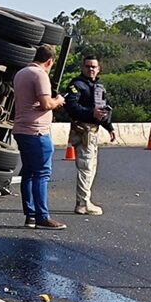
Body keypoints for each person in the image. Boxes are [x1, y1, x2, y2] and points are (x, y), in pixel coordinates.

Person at [12, 45, 66, 230]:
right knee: (42, 173)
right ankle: (43, 216)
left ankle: (31, 215)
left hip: (21, 129)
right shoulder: (40, 74)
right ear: (50, 61)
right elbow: (45, 104)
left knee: (28, 173)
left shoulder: (21, 73)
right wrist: (58, 101)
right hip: (36, 131)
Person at [63, 55, 117, 215]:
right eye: (87, 66)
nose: (91, 69)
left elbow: (101, 110)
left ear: (99, 69)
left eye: (94, 67)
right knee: (85, 167)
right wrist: (89, 112)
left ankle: (84, 200)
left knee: (91, 168)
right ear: (82, 68)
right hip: (82, 130)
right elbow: (71, 106)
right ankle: (82, 203)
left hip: (94, 131)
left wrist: (109, 127)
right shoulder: (76, 85)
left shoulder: (98, 87)